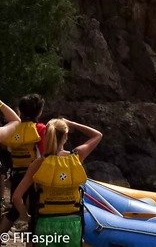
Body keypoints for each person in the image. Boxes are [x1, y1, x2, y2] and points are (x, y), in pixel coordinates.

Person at [13, 118, 102, 246]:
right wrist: (72, 123)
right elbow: (98, 135)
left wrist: (25, 217)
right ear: (65, 135)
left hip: (46, 224)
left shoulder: (39, 164)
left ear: (46, 135)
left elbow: (16, 197)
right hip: (72, 224)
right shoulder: (76, 157)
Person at [0, 93, 46, 233]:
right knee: (35, 210)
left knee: (14, 210)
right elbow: (45, 154)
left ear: (20, 110)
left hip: (16, 174)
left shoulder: (13, 130)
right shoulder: (40, 129)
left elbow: (7, 149)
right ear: (39, 111)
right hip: (33, 177)